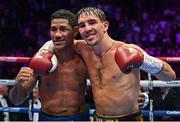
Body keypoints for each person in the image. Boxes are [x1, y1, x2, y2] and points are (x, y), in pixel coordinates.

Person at [40, 7, 176, 121]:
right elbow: (54, 42)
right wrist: (44, 52)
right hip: (98, 118)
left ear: (105, 26)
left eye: (92, 22)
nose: (87, 29)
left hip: (128, 118)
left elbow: (170, 77)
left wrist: (145, 62)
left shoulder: (128, 49)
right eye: (82, 25)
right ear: (78, 31)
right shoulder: (82, 48)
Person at [8, 9, 90, 121]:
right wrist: (18, 85)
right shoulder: (40, 61)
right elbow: (16, 101)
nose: (57, 35)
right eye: (53, 29)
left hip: (79, 118)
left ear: (75, 31)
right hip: (48, 119)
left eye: (63, 29)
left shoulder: (85, 58)